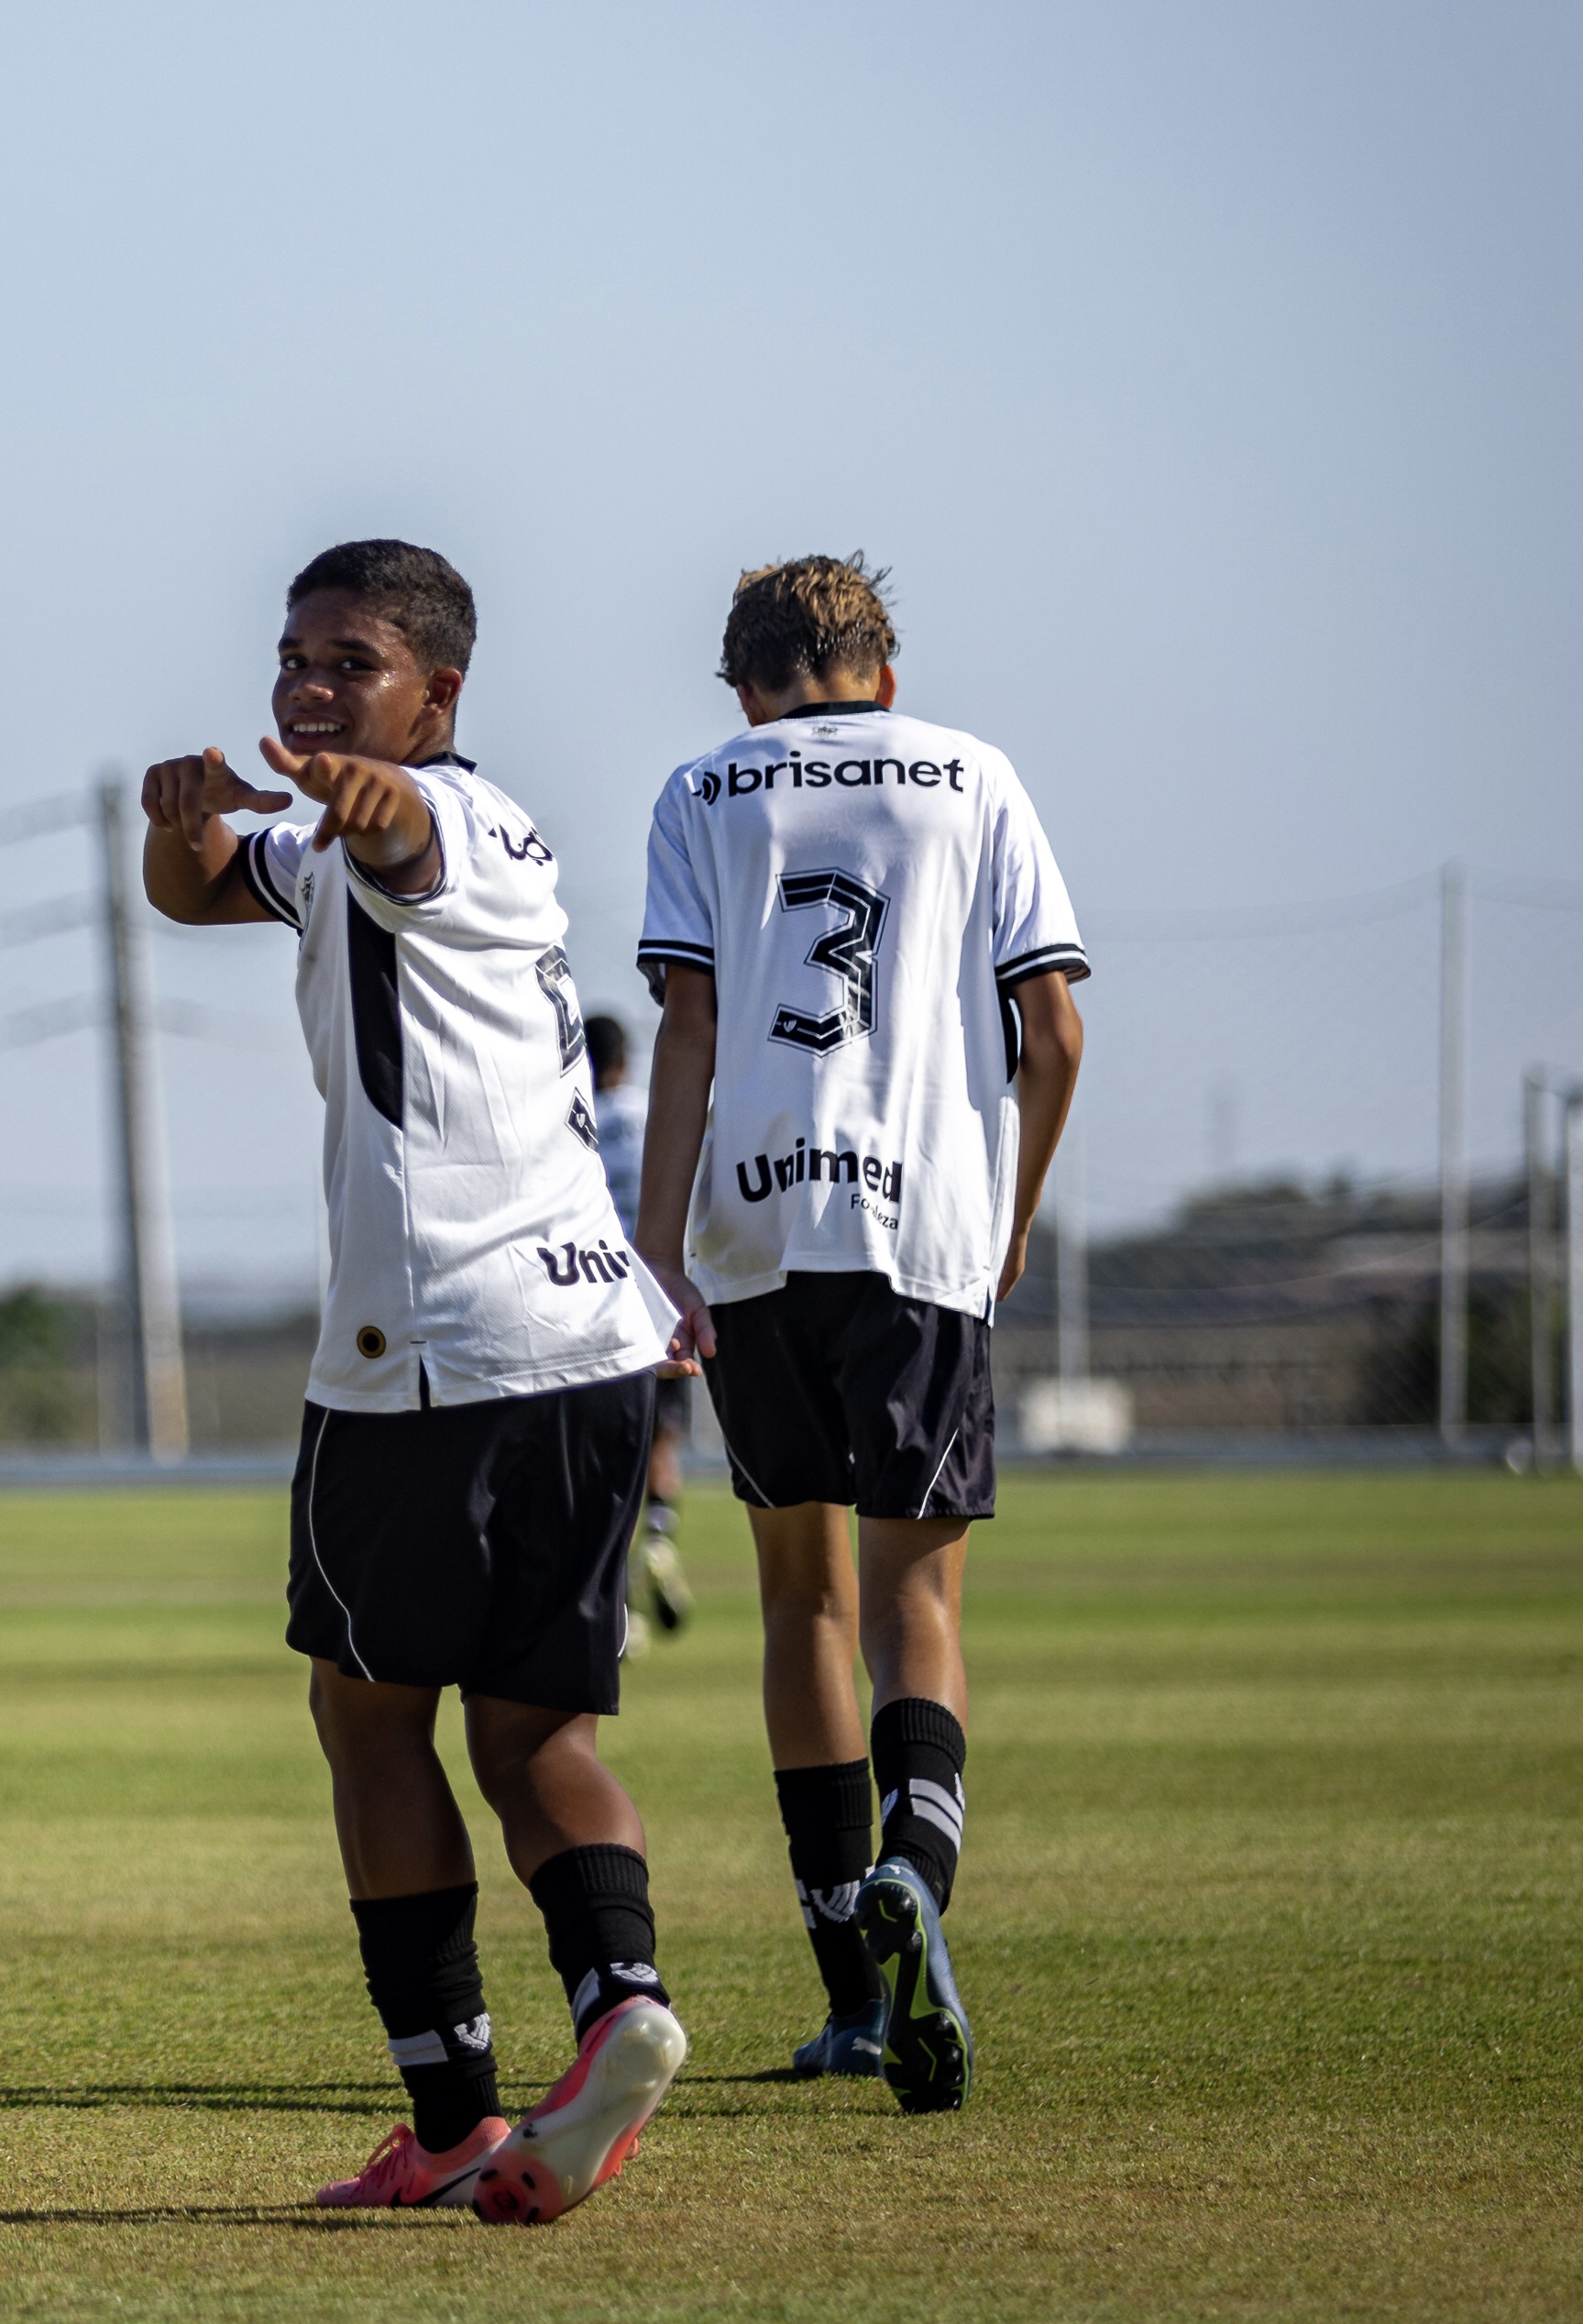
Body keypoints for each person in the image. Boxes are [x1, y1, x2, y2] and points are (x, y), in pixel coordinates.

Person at [139, 539, 688, 2226]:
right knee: (537, 1736)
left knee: (364, 1714)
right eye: (291, 657)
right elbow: (201, 891)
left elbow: (390, 827)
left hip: (428, 1350)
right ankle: (620, 2006)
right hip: (592, 1344)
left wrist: (331, 784)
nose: (306, 686)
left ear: (436, 691)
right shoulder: (370, 840)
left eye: (349, 662)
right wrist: (183, 822)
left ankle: (448, 2119)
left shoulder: (438, 819)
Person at [631, 554, 1085, 2113]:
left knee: (798, 1608)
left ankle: (843, 1987)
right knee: (916, 1603)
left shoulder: (700, 788)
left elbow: (685, 1024)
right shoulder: (969, 773)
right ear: (880, 673)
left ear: (743, 684)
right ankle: (914, 1869)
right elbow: (1054, 1029)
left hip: (756, 1232)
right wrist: (1008, 1207)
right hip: (920, 1230)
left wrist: (650, 1251)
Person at [587, 1015, 696, 1647]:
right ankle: (657, 1538)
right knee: (663, 1443)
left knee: (603, 1459)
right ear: (626, 1061)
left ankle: (615, 1609)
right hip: (656, 1306)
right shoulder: (649, 1113)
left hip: (594, 1306)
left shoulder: (570, 1119)